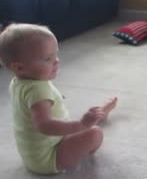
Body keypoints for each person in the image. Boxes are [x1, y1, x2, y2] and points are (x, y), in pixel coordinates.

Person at [0, 23, 118, 175]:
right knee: (94, 133)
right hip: (49, 157)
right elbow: (45, 126)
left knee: (78, 124)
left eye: (55, 55)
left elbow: (31, 105)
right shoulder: (38, 91)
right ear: (20, 67)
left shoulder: (18, 82)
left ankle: (98, 115)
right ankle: (93, 122)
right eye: (48, 59)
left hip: (36, 153)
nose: (56, 61)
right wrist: (81, 125)